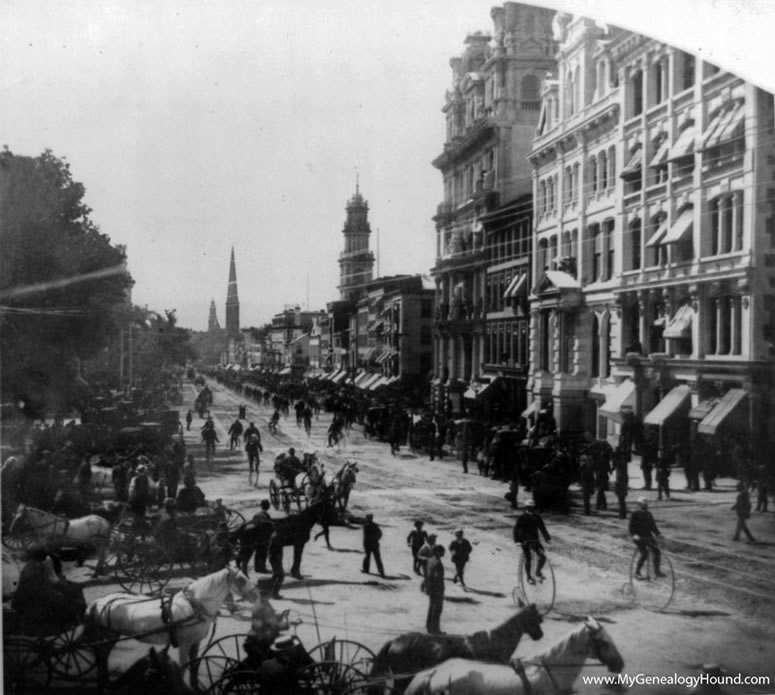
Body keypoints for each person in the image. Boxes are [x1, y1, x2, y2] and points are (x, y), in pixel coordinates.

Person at [11, 545, 85, 626]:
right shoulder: (37, 568)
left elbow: (46, 588)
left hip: (25, 604)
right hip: (31, 608)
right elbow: (44, 592)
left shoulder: (31, 565)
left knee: (71, 600)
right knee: (74, 605)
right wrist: (61, 596)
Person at [513, 499, 551, 585]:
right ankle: (529, 577)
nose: (531, 509)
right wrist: (517, 541)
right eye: (529, 507)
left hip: (535, 540)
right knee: (528, 558)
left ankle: (538, 571)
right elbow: (516, 529)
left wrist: (547, 538)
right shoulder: (522, 518)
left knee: (542, 557)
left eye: (532, 507)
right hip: (525, 541)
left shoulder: (537, 517)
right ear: (526, 507)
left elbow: (542, 528)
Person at [629, 497, 664, 578]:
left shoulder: (649, 514)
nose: (645, 506)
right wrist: (634, 535)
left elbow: (653, 526)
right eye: (643, 504)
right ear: (639, 505)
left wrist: (658, 534)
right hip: (639, 537)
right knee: (644, 554)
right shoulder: (635, 514)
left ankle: (657, 571)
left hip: (648, 536)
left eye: (646, 504)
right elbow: (631, 528)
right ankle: (637, 572)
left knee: (656, 552)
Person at [425, 545, 446, 634]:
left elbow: (427, 573)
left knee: (431, 607)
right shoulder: (437, 562)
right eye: (442, 552)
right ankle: (435, 629)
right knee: (437, 609)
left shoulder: (430, 560)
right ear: (437, 552)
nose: (444, 553)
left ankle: (429, 626)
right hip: (437, 588)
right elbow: (437, 577)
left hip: (430, 587)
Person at [361, 513, 385, 578]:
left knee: (367, 557)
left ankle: (366, 570)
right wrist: (376, 539)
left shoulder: (365, 526)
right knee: (377, 558)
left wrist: (365, 544)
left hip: (368, 544)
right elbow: (380, 534)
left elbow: (365, 537)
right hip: (375, 544)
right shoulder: (375, 525)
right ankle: (381, 572)